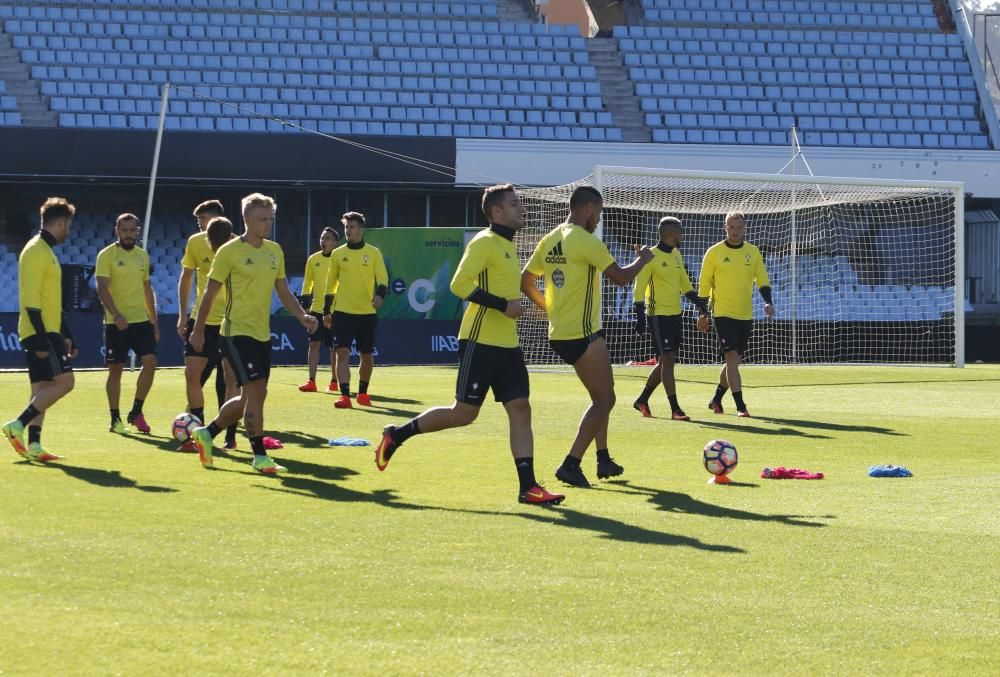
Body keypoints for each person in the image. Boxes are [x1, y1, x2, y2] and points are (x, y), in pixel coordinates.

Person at [374, 184, 564, 505]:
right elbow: (458, 284)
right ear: (497, 212)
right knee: (463, 414)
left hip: (508, 344)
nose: (523, 209)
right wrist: (503, 305)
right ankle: (397, 435)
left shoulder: (506, 245)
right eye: (515, 204)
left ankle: (528, 486)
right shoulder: (485, 242)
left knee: (521, 408)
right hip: (480, 341)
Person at [521, 186, 653, 488]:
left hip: (560, 331)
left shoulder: (551, 238)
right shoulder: (586, 241)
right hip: (582, 333)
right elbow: (620, 278)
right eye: (600, 211)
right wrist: (643, 260)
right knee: (605, 399)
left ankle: (603, 458)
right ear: (589, 207)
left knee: (601, 396)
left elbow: (526, 280)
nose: (599, 218)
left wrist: (548, 308)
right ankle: (571, 463)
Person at [189, 193, 317, 474]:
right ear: (246, 219)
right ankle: (259, 456)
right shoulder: (229, 251)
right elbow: (209, 293)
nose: (267, 224)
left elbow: (283, 290)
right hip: (235, 332)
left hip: (261, 334)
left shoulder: (274, 251)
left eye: (270, 218)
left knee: (252, 396)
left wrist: (302, 316)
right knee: (255, 392)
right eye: (262, 219)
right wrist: (198, 329)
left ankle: (207, 433)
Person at [2, 197, 78, 462]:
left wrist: (67, 333)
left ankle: (34, 445)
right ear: (59, 223)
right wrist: (42, 340)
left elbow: (51, 302)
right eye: (67, 224)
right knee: (66, 383)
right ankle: (17, 425)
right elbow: (32, 301)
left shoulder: (46, 252)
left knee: (42, 388)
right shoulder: (35, 251)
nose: (69, 230)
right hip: (40, 331)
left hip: (48, 330)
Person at [631, 217, 709, 420]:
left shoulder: (675, 255)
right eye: (680, 233)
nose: (682, 237)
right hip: (658, 316)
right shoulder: (650, 256)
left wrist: (700, 303)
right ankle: (675, 409)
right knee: (667, 360)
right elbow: (638, 289)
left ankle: (642, 400)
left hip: (675, 315)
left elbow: (685, 284)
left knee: (667, 361)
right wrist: (639, 317)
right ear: (672, 235)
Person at [697, 211, 774, 417]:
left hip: (745, 315)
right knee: (731, 357)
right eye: (731, 227)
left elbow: (762, 280)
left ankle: (716, 399)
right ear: (725, 228)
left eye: (739, 227)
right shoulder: (713, 253)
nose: (735, 231)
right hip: (722, 313)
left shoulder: (753, 252)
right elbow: (704, 286)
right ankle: (741, 406)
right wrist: (702, 313)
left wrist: (768, 302)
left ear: (745, 228)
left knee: (733, 362)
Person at [177, 200, 239, 450]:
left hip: (231, 321)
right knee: (191, 374)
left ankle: (229, 438)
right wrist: (183, 315)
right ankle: (197, 434)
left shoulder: (238, 245)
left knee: (230, 380)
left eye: (204, 219)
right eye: (199, 220)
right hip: (201, 320)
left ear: (218, 219)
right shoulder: (195, 242)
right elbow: (186, 277)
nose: (201, 225)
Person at [95, 213, 159, 434]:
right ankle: (115, 418)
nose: (129, 234)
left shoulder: (143, 256)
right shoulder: (106, 255)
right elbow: (102, 288)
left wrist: (154, 321)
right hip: (116, 323)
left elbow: (147, 289)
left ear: (137, 232)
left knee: (150, 362)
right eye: (125, 230)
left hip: (141, 320)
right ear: (117, 231)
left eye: (132, 231)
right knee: (116, 371)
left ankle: (136, 411)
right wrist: (116, 314)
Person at [322, 212, 388, 409]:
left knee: (366, 355)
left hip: (367, 313)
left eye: (351, 227)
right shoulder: (338, 254)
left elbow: (383, 278)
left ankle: (363, 393)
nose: (348, 231)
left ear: (361, 229)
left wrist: (380, 295)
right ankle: (344, 396)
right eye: (346, 227)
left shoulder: (374, 252)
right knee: (342, 353)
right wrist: (327, 310)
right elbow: (331, 283)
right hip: (342, 312)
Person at [298, 226, 340, 393]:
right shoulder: (313, 259)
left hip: (336, 310)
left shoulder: (340, 259)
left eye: (328, 238)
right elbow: (307, 284)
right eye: (322, 237)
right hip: (316, 309)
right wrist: (306, 307)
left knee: (335, 347)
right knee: (314, 344)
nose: (324, 241)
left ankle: (334, 381)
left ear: (336, 243)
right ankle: (312, 381)